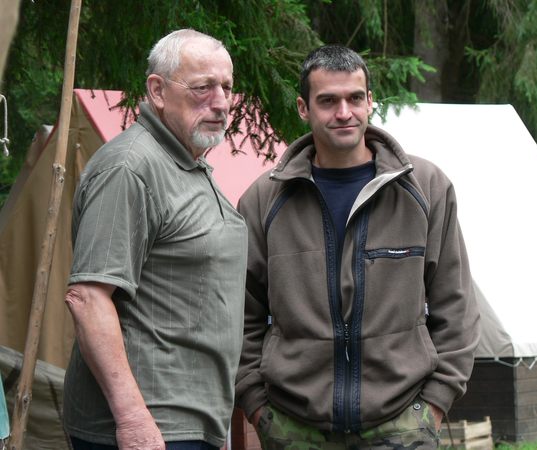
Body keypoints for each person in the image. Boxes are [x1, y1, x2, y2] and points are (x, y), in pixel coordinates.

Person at [235, 45, 480, 449]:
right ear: (303, 108)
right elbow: (240, 313)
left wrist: (435, 404)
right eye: (328, 101)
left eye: (354, 98)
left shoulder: (426, 188)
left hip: (402, 425)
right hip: (293, 427)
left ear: (370, 101)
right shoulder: (264, 199)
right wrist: (258, 406)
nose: (344, 112)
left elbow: (456, 305)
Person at [63, 29, 247, 450]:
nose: (221, 102)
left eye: (227, 87)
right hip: (148, 427)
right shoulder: (130, 168)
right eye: (203, 87)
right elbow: (88, 298)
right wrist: (133, 420)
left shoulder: (186, 163)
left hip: (189, 422)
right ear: (158, 91)